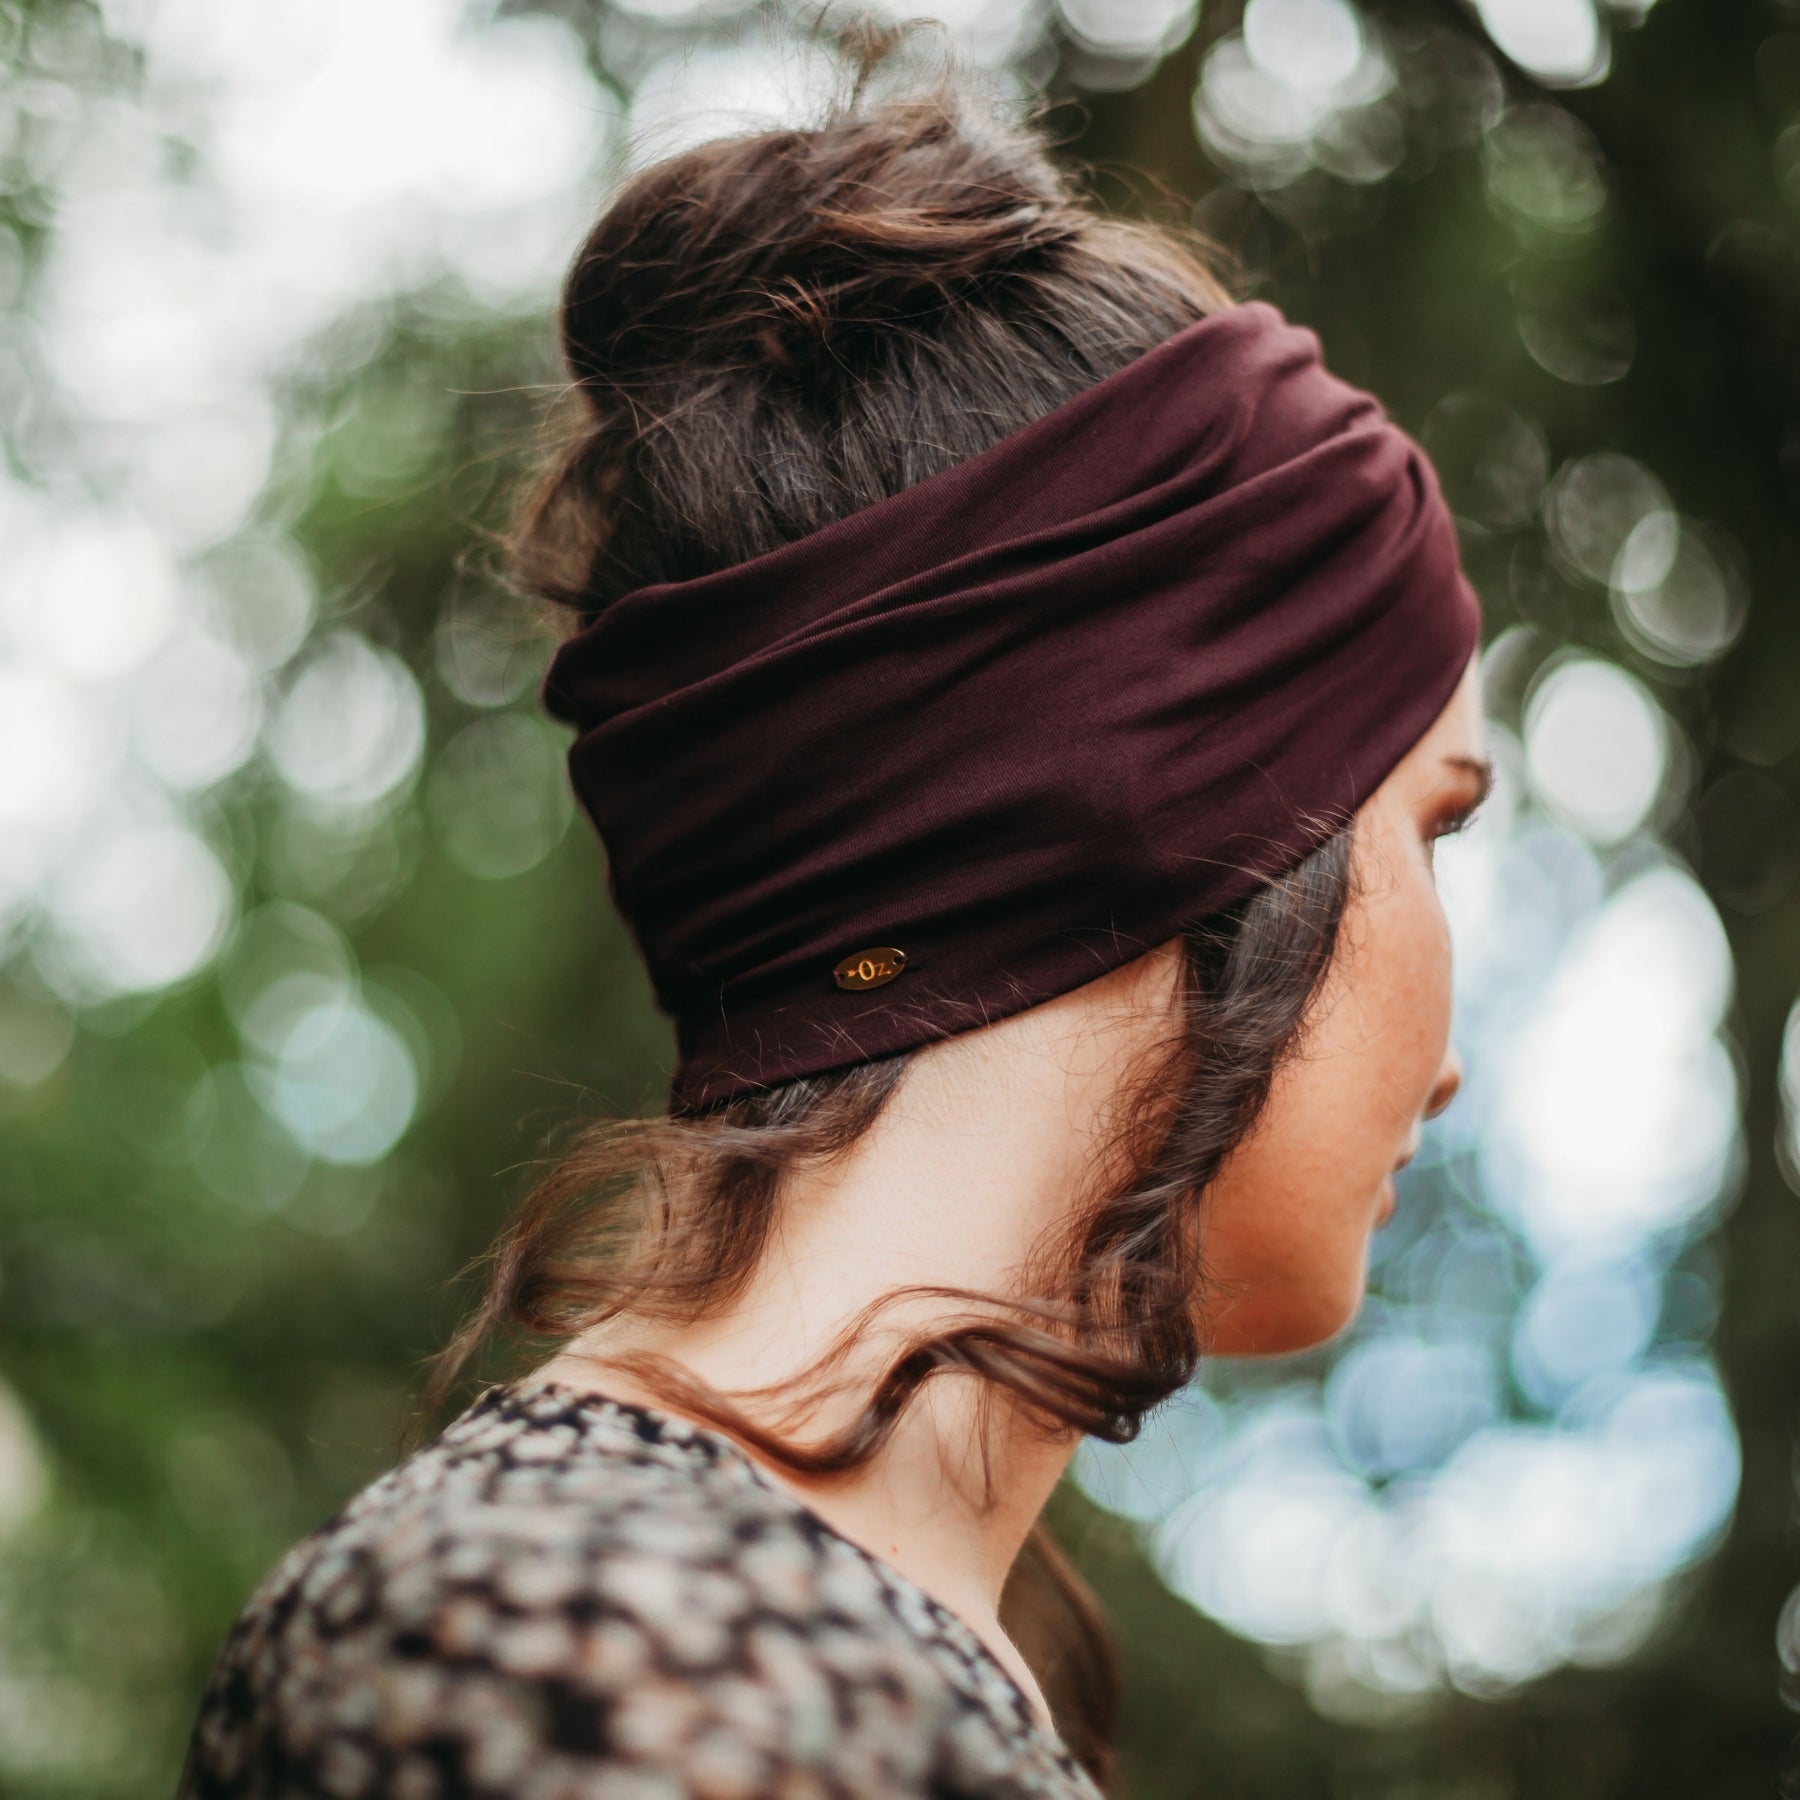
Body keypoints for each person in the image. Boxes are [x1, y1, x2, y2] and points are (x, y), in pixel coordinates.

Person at [179, 49, 1491, 1800]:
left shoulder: (701, 1624)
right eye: (1434, 827)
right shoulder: (612, 1661)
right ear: (1165, 806)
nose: (1461, 1062)